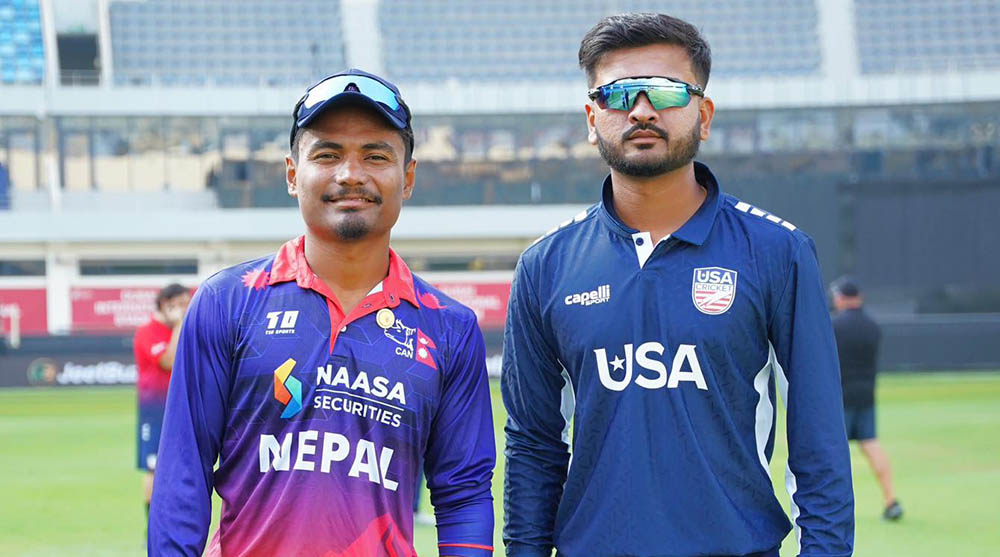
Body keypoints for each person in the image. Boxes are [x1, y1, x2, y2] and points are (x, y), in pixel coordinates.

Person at [502, 13, 854, 557]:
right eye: (618, 94)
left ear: (703, 115)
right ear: (592, 119)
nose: (642, 110)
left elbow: (819, 437)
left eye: (666, 92)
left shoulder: (777, 251)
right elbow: (533, 445)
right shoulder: (545, 265)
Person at [149, 69, 495, 556]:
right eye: (327, 154)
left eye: (376, 156)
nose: (350, 174)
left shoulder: (449, 328)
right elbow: (182, 476)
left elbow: (463, 495)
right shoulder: (227, 302)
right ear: (293, 174)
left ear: (408, 178)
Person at [831, 277, 903, 521]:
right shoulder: (872, 326)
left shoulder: (835, 326)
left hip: (840, 395)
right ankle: (891, 499)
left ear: (842, 299)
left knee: (834, 450)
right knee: (871, 444)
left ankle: (836, 506)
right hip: (866, 393)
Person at [134, 283, 191, 518]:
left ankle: (175, 519)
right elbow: (168, 361)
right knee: (153, 467)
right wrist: (178, 325)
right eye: (180, 304)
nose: (185, 309)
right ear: (165, 304)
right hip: (156, 409)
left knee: (182, 466)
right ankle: (152, 525)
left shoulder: (184, 328)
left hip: (182, 407)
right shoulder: (147, 332)